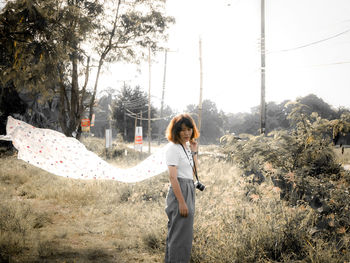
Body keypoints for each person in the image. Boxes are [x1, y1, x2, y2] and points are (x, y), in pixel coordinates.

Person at [164, 113, 200, 263]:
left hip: (189, 187)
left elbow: (193, 172)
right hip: (180, 190)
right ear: (176, 131)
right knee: (179, 236)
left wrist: (194, 152)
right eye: (183, 130)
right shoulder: (173, 148)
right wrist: (181, 202)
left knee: (183, 235)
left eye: (189, 129)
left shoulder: (185, 147)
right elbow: (173, 177)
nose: (187, 133)